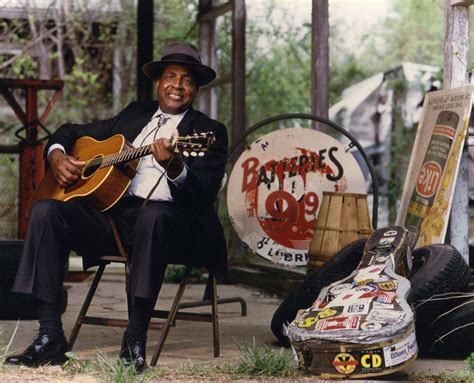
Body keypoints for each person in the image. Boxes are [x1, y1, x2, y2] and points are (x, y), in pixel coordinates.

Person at [5, 41, 228, 371]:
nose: (177, 86)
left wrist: (174, 166)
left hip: (175, 227)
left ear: (194, 89)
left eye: (187, 79)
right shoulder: (134, 115)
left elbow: (204, 193)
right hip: (116, 222)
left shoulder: (208, 132)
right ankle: (50, 335)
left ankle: (133, 340)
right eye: (170, 76)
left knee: (154, 215)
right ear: (158, 82)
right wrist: (56, 156)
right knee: (46, 210)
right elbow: (69, 132)